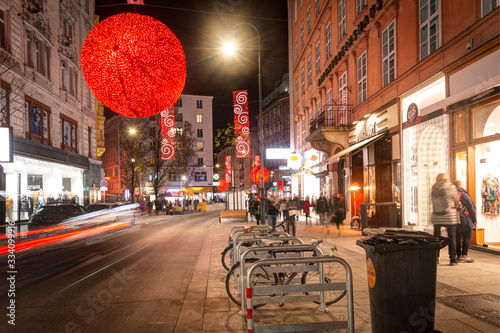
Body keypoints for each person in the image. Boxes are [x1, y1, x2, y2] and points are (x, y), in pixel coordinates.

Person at [431, 173, 460, 266]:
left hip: (436, 215)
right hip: (449, 215)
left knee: (437, 237)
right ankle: (452, 259)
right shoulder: (451, 187)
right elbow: (456, 199)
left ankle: (435, 258)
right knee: (452, 237)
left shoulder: (434, 187)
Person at [453, 180, 477, 263]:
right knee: (467, 236)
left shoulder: (451, 194)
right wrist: (474, 220)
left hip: (454, 218)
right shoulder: (464, 194)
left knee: (457, 238)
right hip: (464, 218)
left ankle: (458, 255)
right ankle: (464, 255)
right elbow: (471, 208)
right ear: (460, 185)